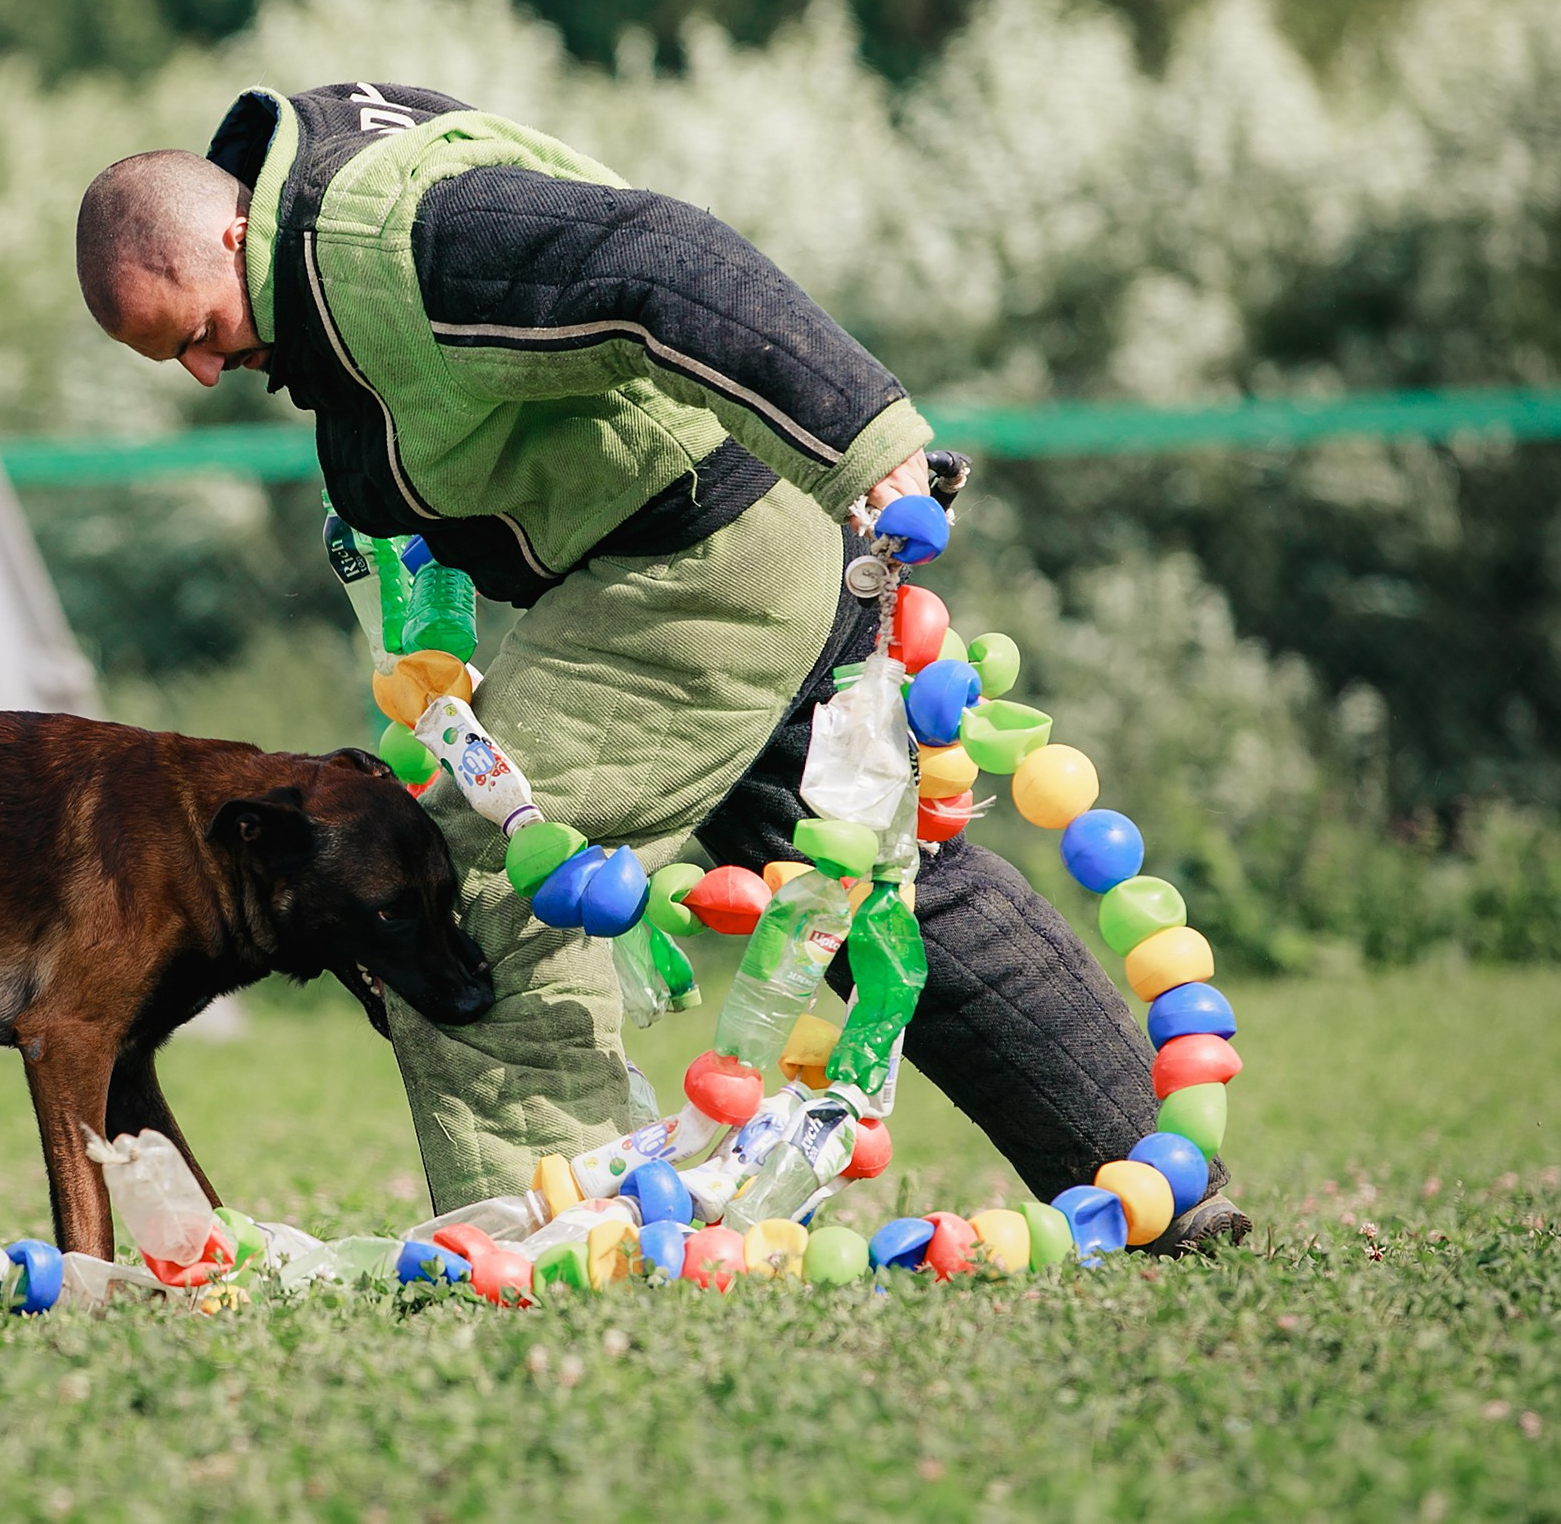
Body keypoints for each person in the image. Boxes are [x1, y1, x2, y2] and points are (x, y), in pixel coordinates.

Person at [74, 81, 1248, 1251]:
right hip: (755, 544)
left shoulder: (399, 239)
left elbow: (656, 259)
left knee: (458, 886)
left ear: (228, 235)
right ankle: (1156, 1190)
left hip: (695, 564)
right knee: (878, 887)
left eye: (189, 331)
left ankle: (559, 1260)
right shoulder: (313, 242)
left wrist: (871, 443)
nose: (198, 371)